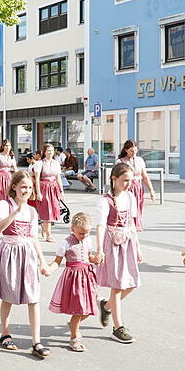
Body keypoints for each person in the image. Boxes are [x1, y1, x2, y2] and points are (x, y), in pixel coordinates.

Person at [0, 170, 51, 359]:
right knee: (8, 296)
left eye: (29, 187)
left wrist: (43, 262)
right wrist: (15, 212)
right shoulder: (5, 204)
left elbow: (33, 238)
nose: (26, 190)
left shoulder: (32, 211)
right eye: (23, 186)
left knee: (33, 298)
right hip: (10, 252)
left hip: (27, 254)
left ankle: (36, 341)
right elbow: (0, 228)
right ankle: (5, 334)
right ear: (14, 187)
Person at [95, 162, 142, 344]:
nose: (128, 184)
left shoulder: (130, 197)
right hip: (112, 244)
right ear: (114, 179)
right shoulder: (105, 201)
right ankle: (118, 327)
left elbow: (131, 224)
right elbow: (99, 226)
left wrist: (138, 247)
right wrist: (99, 249)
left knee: (131, 283)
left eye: (130, 180)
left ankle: (107, 306)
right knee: (117, 285)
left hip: (128, 242)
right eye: (124, 180)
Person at [46, 212, 101, 352]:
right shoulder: (65, 243)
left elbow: (89, 256)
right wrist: (49, 269)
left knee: (90, 308)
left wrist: (97, 259)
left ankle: (73, 324)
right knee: (79, 309)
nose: (84, 236)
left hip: (87, 277)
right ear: (73, 229)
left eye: (87, 233)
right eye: (81, 233)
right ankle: (74, 338)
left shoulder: (87, 240)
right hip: (74, 279)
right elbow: (57, 261)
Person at [117, 140, 156, 230]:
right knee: (127, 207)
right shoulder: (121, 161)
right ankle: (126, 224)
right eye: (131, 151)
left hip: (138, 187)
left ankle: (136, 225)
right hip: (126, 188)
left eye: (135, 150)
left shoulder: (140, 160)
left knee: (138, 206)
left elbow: (145, 176)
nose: (134, 153)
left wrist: (151, 190)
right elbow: (117, 177)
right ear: (126, 150)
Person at [32, 144, 63, 242]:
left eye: (52, 150)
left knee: (53, 210)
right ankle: (49, 234)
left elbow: (58, 178)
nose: (50, 152)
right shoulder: (39, 163)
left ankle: (44, 226)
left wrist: (61, 191)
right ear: (44, 152)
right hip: (44, 187)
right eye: (48, 150)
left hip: (53, 187)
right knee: (47, 211)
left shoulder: (56, 163)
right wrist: (38, 193)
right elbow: (37, 179)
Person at [0, 140, 17, 207]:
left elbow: (15, 169)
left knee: (10, 195)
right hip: (0, 177)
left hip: (9, 177)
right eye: (6, 145)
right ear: (3, 146)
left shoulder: (12, 156)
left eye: (9, 145)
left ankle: (9, 211)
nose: (7, 147)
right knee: (1, 195)